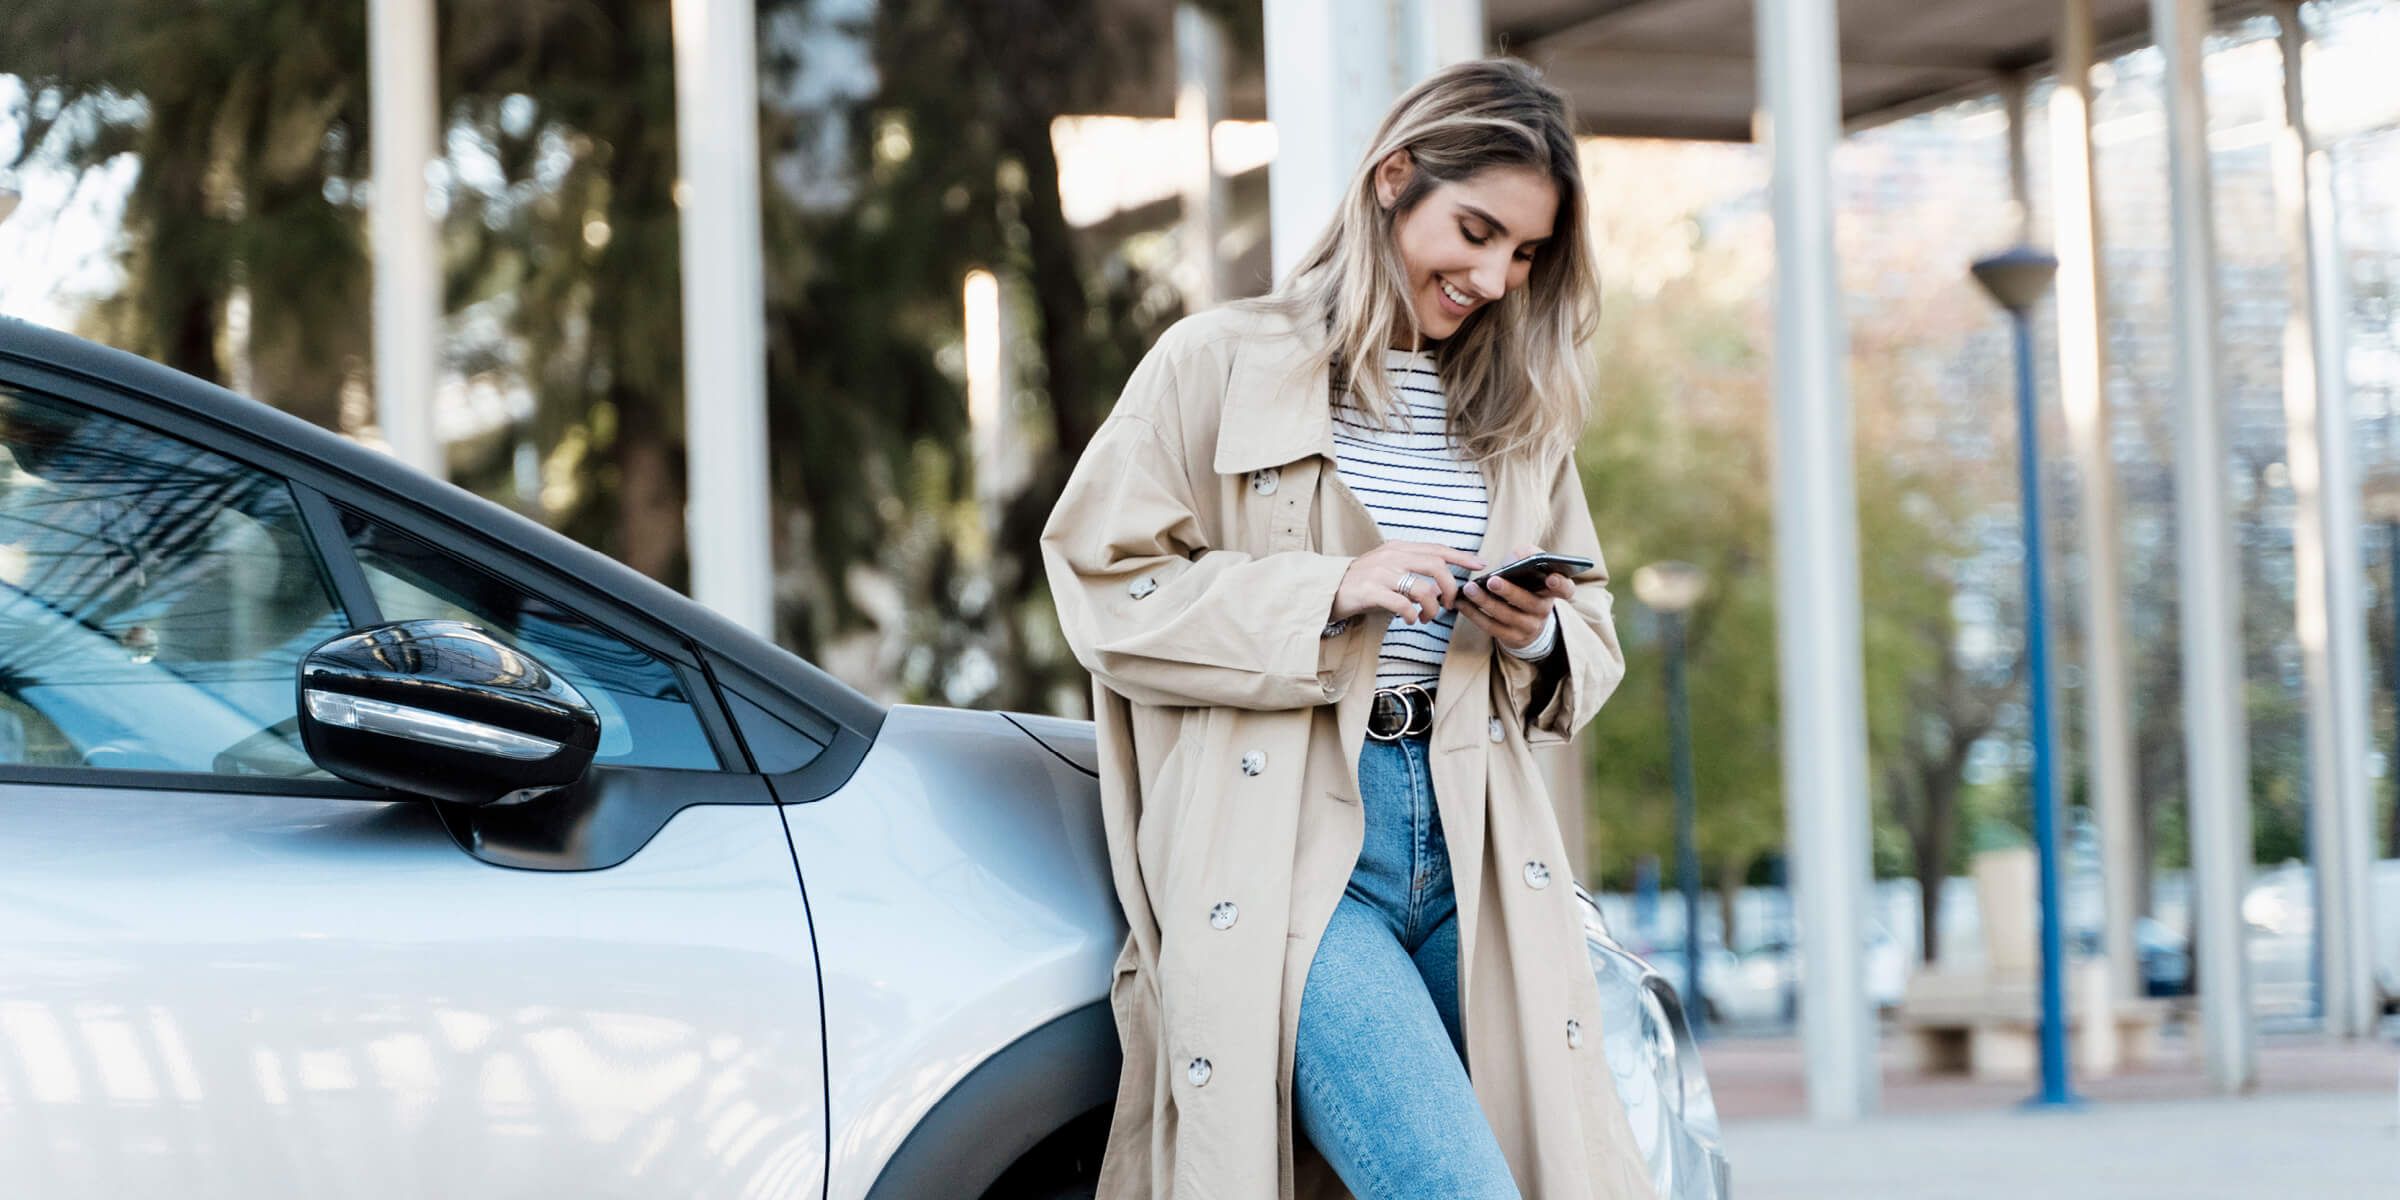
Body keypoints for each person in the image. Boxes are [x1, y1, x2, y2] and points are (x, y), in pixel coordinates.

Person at [1040, 58, 1653, 1200]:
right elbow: (1100, 583)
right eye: (1474, 232)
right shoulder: (1217, 361)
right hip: (1293, 844)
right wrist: (1328, 589)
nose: (1493, 278)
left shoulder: (1519, 418)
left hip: (1474, 838)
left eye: (1523, 255)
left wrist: (1531, 633)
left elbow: (1596, 625)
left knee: (1559, 1170)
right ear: (1393, 179)